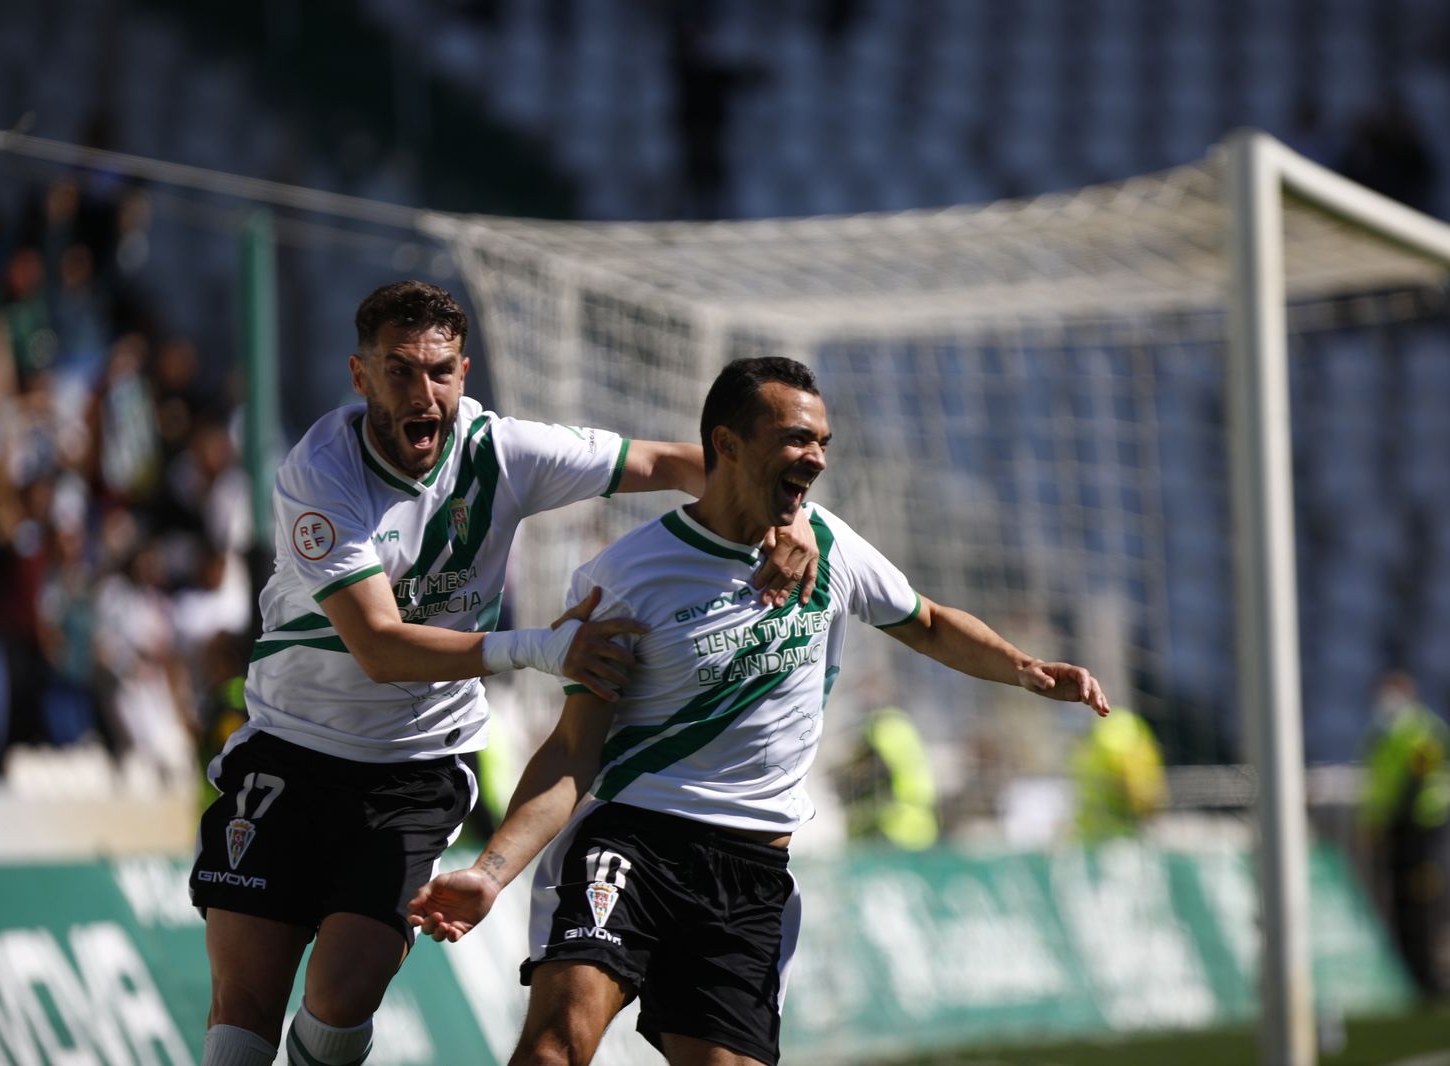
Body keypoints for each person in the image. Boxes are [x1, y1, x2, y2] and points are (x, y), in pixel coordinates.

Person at [409, 356, 1109, 1066]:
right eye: (797, 439)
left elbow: (924, 622)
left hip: (752, 866)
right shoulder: (626, 576)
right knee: (556, 1047)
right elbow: (572, 749)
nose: (816, 458)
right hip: (633, 842)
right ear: (728, 444)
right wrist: (492, 872)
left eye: (823, 443)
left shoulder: (830, 546)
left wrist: (1024, 669)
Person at [189, 283, 820, 1066]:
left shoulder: (505, 451)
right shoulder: (322, 475)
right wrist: (536, 648)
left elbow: (671, 462)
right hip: (290, 749)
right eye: (400, 371)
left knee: (344, 991)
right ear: (360, 376)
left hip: (410, 770)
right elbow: (380, 648)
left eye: (442, 371)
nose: (424, 393)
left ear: (464, 370)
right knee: (242, 1018)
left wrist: (790, 515)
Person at [1359, 671, 1450, 997]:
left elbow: (1418, 780)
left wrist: (1392, 817)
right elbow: (1379, 785)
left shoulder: (1424, 731)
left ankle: (1427, 978)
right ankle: (1409, 980)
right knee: (1401, 907)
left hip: (1421, 831)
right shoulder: (1383, 735)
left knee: (1421, 907)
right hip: (1395, 832)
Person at [837, 703, 940, 850]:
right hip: (922, 821)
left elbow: (878, 770)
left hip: (895, 823)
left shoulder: (882, 729)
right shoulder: (904, 727)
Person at [1070, 705, 1168, 843]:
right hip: (1114, 828)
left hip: (1105, 828)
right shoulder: (1132, 732)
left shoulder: (1108, 736)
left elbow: (1132, 782)